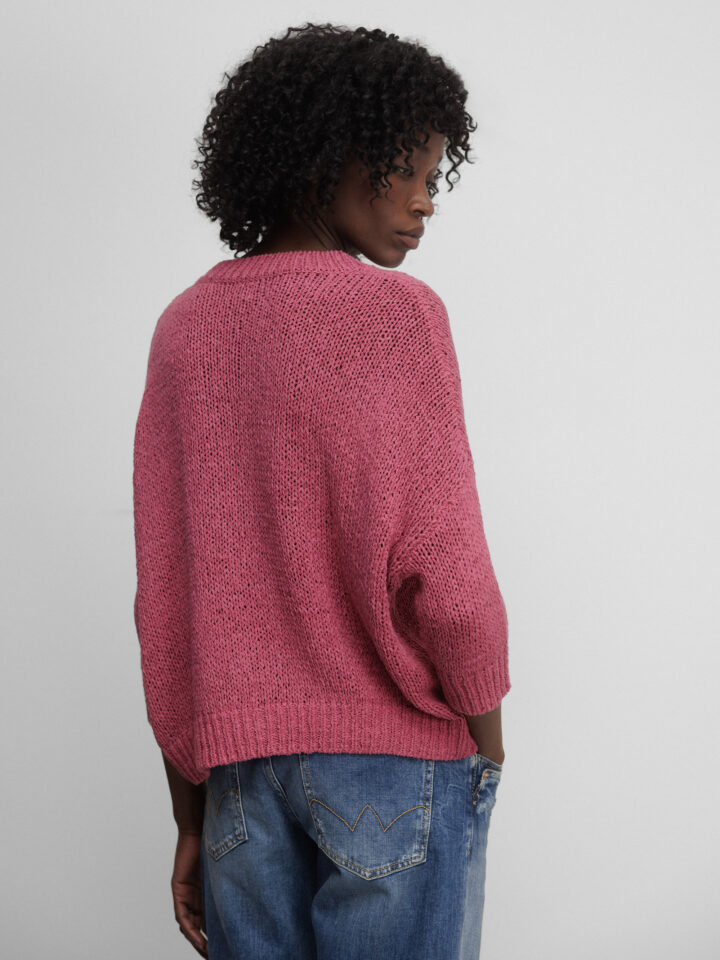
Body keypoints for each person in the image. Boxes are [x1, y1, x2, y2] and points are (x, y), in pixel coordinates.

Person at [132, 22, 510, 960]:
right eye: (405, 170)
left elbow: (165, 606)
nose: (425, 201)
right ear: (326, 159)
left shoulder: (185, 329)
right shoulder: (400, 318)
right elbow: (448, 572)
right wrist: (487, 738)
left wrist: (189, 806)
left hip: (238, 780)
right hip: (395, 765)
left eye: (435, 175)